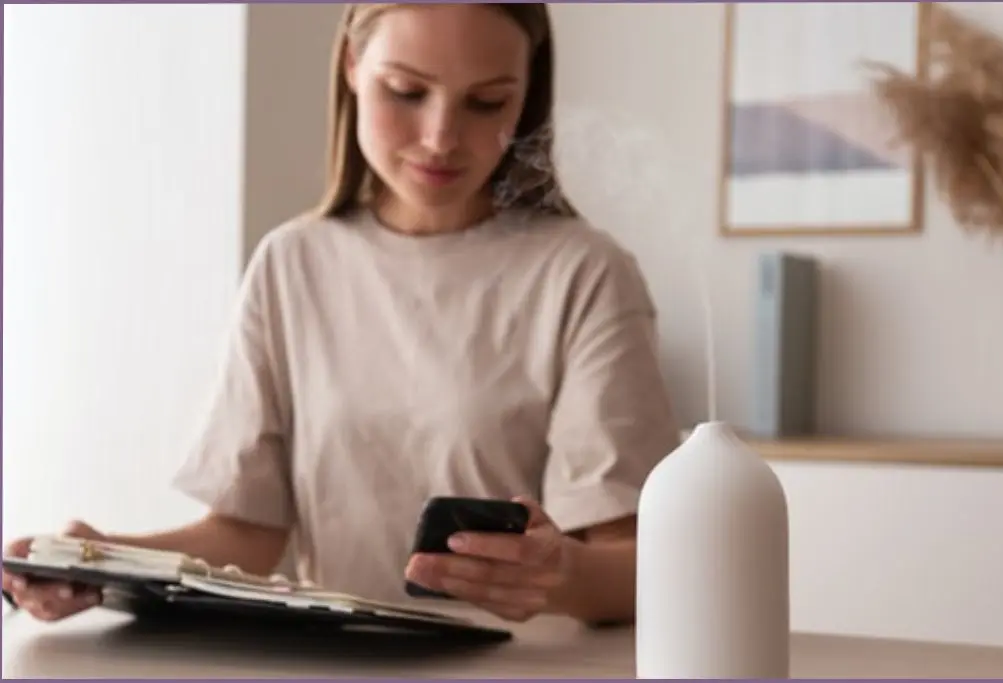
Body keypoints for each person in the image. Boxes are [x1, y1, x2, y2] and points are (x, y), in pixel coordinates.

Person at [2, 3, 679, 627]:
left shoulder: (585, 274)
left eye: (486, 102)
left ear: (526, 94)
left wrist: (558, 574)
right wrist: (102, 560)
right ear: (353, 67)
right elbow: (248, 535)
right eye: (407, 92)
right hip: (331, 662)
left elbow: (636, 563)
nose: (442, 136)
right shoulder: (291, 264)